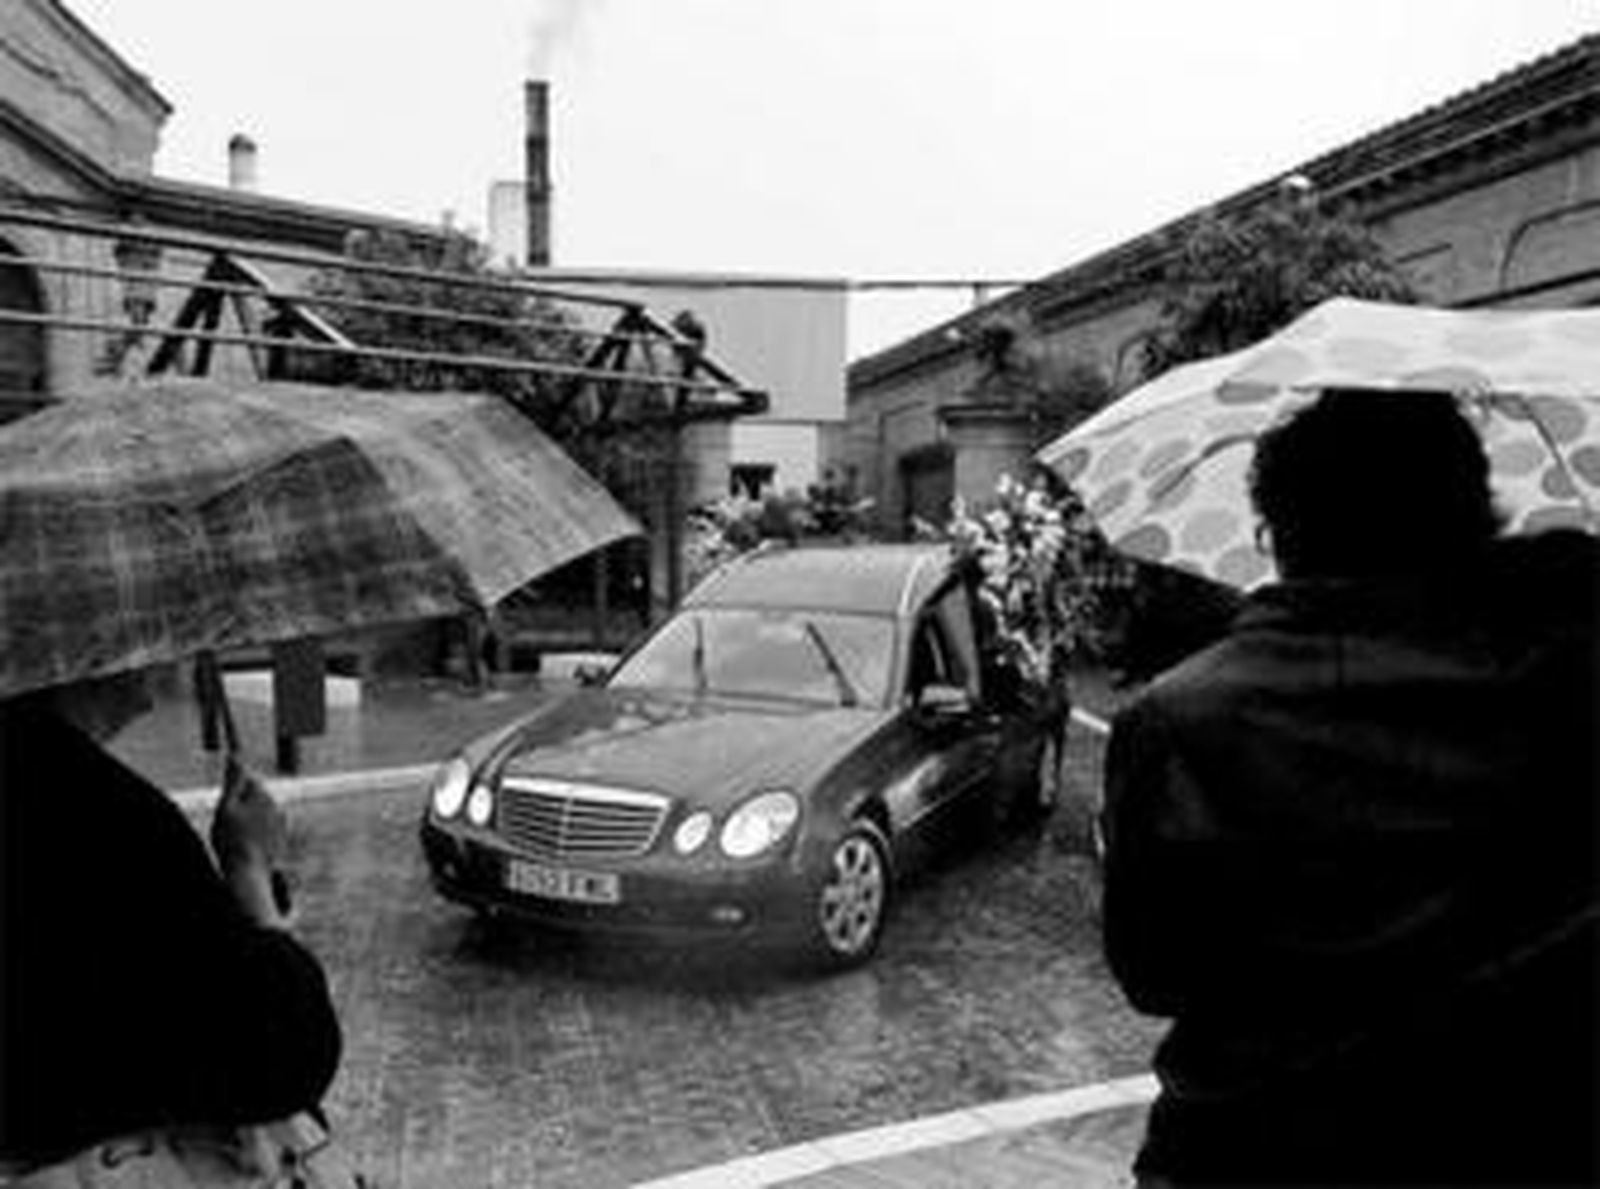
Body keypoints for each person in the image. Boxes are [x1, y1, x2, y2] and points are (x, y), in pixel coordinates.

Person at [1100, 389, 1597, 1186]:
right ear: (1479, 512)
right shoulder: (1571, 675)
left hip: (1249, 1148)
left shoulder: (1179, 718)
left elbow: (1153, 972)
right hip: (1525, 1141)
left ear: (1277, 532)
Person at [0, 668, 344, 1182]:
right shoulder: (105, 824)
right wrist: (249, 868)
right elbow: (283, 1053)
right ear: (90, 657)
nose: (161, 672)